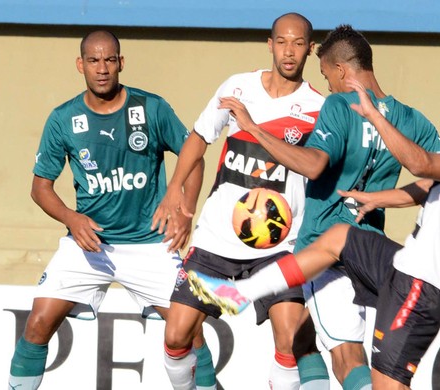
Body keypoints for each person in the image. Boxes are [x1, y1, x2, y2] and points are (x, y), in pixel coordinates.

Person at [215, 25, 440, 389]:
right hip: (378, 254)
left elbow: (318, 164)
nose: (329, 85)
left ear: (339, 70)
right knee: (306, 335)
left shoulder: (340, 105)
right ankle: (245, 293)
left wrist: (254, 130)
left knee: (340, 355)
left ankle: (240, 292)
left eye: (326, 76)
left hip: (339, 253)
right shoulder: (414, 120)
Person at [7, 30, 215, 390]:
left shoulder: (151, 108)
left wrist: (185, 209)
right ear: (80, 65)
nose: (101, 69)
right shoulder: (63, 118)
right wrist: (71, 218)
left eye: (109, 60)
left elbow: (193, 157)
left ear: (121, 62)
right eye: (93, 61)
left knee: (191, 330)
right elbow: (40, 188)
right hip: (88, 247)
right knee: (38, 323)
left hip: (150, 244)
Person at [163, 13, 330, 390]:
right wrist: (175, 189)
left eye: (298, 43)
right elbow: (200, 136)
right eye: (282, 42)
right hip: (217, 242)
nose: (289, 52)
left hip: (279, 247)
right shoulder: (237, 87)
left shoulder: (318, 107)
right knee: (176, 337)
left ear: (310, 49)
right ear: (269, 44)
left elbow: (321, 168)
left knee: (290, 342)